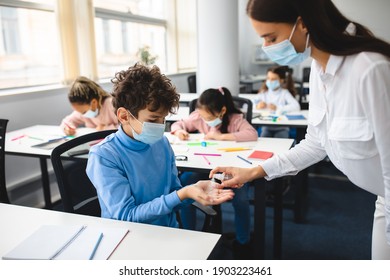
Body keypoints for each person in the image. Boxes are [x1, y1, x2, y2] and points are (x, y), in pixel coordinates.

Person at [210, 0, 390, 259]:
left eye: (271, 38)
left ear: (302, 23)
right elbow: (316, 143)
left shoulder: (370, 69)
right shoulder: (319, 69)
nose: (267, 48)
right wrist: (252, 172)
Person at [86, 63, 234, 229]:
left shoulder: (161, 143)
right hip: (128, 238)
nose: (160, 126)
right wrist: (182, 194)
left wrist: (193, 191)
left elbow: (173, 198)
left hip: (167, 230)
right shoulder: (104, 156)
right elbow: (126, 216)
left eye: (163, 119)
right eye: (153, 120)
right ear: (124, 116)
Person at [170, 87, 258, 259]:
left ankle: (243, 242)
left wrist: (220, 137)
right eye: (201, 116)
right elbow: (178, 123)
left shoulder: (235, 119)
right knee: (186, 183)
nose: (203, 120)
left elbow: (252, 134)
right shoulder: (198, 116)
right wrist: (180, 131)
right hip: (206, 168)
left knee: (240, 198)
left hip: (229, 171)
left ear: (222, 111)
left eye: (208, 117)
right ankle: (190, 235)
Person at [253, 66, 300, 138]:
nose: (270, 81)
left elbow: (296, 106)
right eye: (268, 78)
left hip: (282, 127)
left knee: (281, 141)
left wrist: (278, 108)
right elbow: (248, 104)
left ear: (281, 80)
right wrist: (257, 106)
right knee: (264, 141)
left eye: (273, 79)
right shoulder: (263, 93)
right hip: (266, 127)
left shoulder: (284, 93)